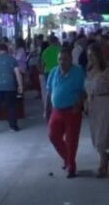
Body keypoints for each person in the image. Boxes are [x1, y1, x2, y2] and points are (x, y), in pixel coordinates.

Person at [47, 47, 86, 178]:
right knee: (53, 136)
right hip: (56, 110)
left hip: (72, 110)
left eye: (65, 59)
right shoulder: (53, 72)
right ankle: (68, 160)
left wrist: (78, 105)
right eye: (60, 59)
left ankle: (71, 167)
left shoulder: (78, 72)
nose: (62, 62)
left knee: (71, 139)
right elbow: (49, 91)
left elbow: (82, 91)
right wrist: (46, 109)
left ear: (71, 60)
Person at [85, 43, 109, 178]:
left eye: (93, 56)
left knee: (102, 137)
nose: (91, 59)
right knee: (95, 137)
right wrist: (86, 102)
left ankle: (102, 164)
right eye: (89, 56)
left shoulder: (107, 73)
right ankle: (104, 155)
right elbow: (87, 90)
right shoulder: (89, 71)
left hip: (105, 105)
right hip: (93, 106)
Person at [40, 36, 62, 120]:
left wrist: (42, 72)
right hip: (59, 71)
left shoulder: (45, 51)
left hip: (48, 72)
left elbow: (42, 64)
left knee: (50, 91)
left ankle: (51, 108)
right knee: (59, 89)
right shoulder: (60, 50)